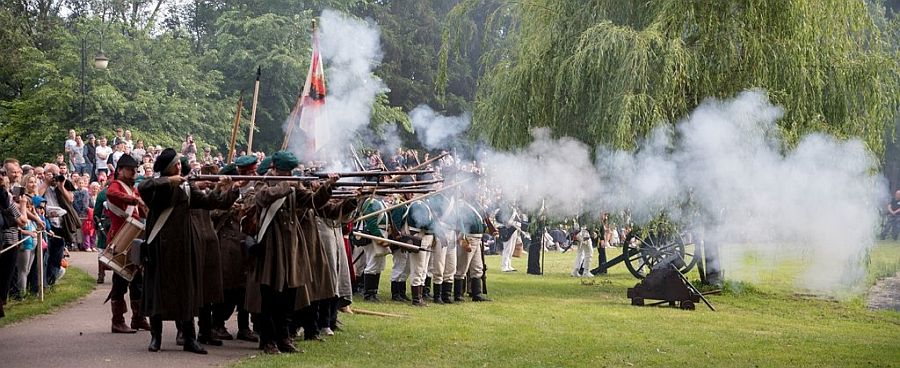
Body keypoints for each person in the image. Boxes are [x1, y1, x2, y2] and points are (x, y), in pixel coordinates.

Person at [138, 148, 237, 354]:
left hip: (183, 246)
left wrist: (227, 189)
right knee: (157, 292)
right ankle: (155, 337)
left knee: (186, 293)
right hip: (160, 246)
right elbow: (144, 185)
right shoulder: (157, 186)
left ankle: (190, 338)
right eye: (175, 164)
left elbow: (211, 202)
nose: (179, 166)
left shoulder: (188, 186)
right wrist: (171, 180)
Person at [244, 151, 336, 354]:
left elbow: (313, 202)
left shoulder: (294, 186)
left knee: (287, 298)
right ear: (276, 168)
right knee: (270, 298)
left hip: (290, 247)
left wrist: (328, 186)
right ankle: (268, 340)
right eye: (285, 171)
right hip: (270, 246)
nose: (289, 174)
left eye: (290, 171)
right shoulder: (264, 183)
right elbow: (261, 198)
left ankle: (283, 337)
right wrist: (287, 184)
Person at [103, 154, 149, 334]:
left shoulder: (133, 189)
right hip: (120, 238)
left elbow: (139, 212)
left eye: (135, 170)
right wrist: (134, 200)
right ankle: (117, 320)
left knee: (137, 281)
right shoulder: (116, 185)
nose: (133, 173)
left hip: (133, 239)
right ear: (120, 170)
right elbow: (111, 194)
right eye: (130, 170)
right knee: (120, 281)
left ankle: (138, 318)